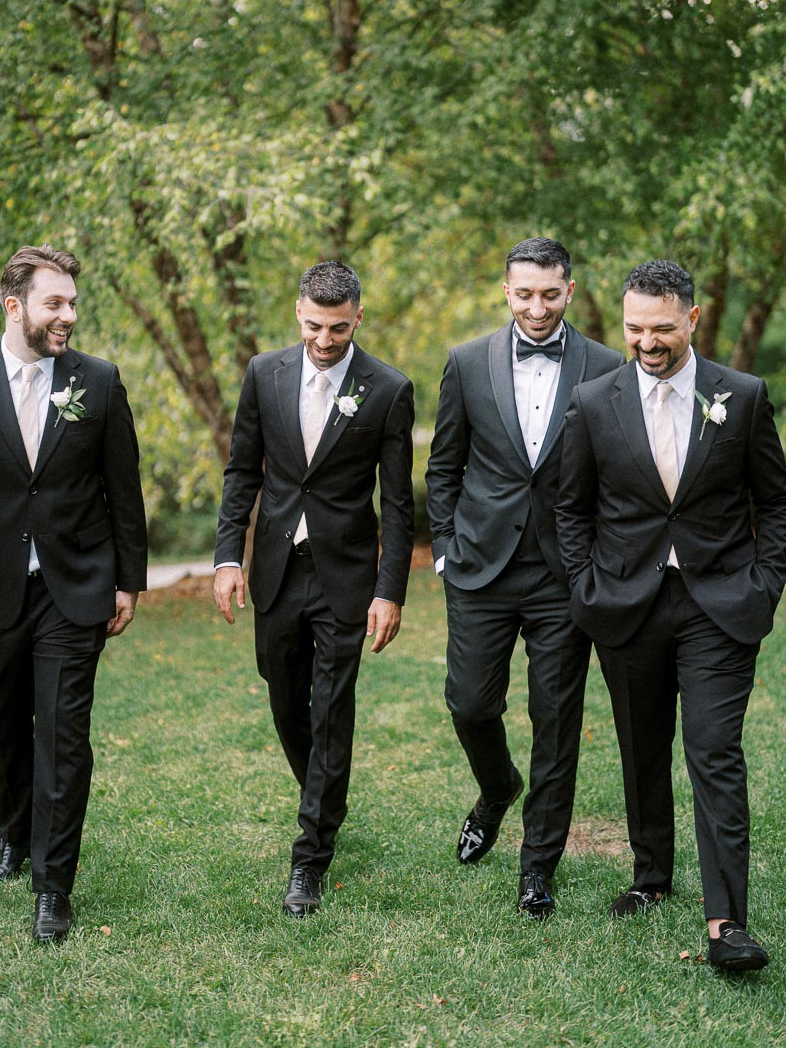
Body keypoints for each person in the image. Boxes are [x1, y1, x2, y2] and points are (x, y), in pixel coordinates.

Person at [556, 259, 786, 971]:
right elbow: (572, 509)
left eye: (661, 328)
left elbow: (775, 502)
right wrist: (586, 587)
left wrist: (766, 580)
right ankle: (651, 877)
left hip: (720, 604)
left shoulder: (742, 397)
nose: (647, 342)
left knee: (714, 752)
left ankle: (727, 924)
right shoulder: (595, 402)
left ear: (691, 318)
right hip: (626, 604)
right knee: (642, 747)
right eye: (633, 328)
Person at [0, 244, 147, 944]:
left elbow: (125, 490)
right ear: (14, 305)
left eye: (73, 303)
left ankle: (54, 887)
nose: (69, 316)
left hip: (74, 588)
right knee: (2, 725)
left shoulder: (100, 382)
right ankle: (13, 837)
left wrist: (127, 580)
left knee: (61, 732)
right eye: (56, 303)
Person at [425, 237, 624, 917]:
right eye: (524, 293)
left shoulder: (604, 364)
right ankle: (496, 787)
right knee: (470, 704)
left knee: (557, 720)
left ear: (569, 289)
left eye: (550, 293)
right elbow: (443, 465)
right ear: (505, 291)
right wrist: (447, 548)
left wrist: (599, 562)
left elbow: (615, 471)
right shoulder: (466, 362)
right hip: (479, 566)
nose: (537, 307)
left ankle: (537, 870)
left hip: (564, 575)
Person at [213, 260, 414, 917]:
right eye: (312, 326)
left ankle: (310, 857)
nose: (324, 340)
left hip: (345, 575)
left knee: (331, 706)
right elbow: (242, 470)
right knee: (283, 693)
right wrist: (225, 558)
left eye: (336, 327)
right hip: (274, 566)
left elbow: (397, 503)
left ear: (359, 316)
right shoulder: (263, 374)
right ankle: (324, 794)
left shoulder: (387, 388)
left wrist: (390, 591)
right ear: (297, 313)